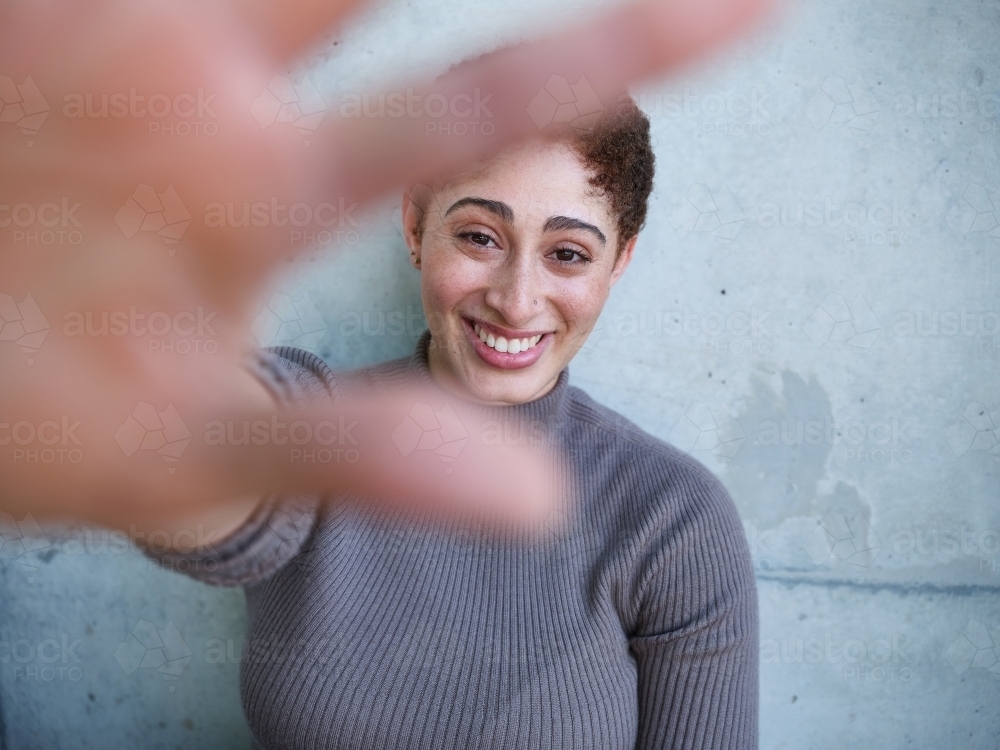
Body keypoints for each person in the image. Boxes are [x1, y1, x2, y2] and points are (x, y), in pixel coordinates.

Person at [145, 91, 758, 749]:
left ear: (620, 263)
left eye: (569, 253)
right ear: (415, 225)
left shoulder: (676, 520)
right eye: (478, 237)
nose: (516, 301)